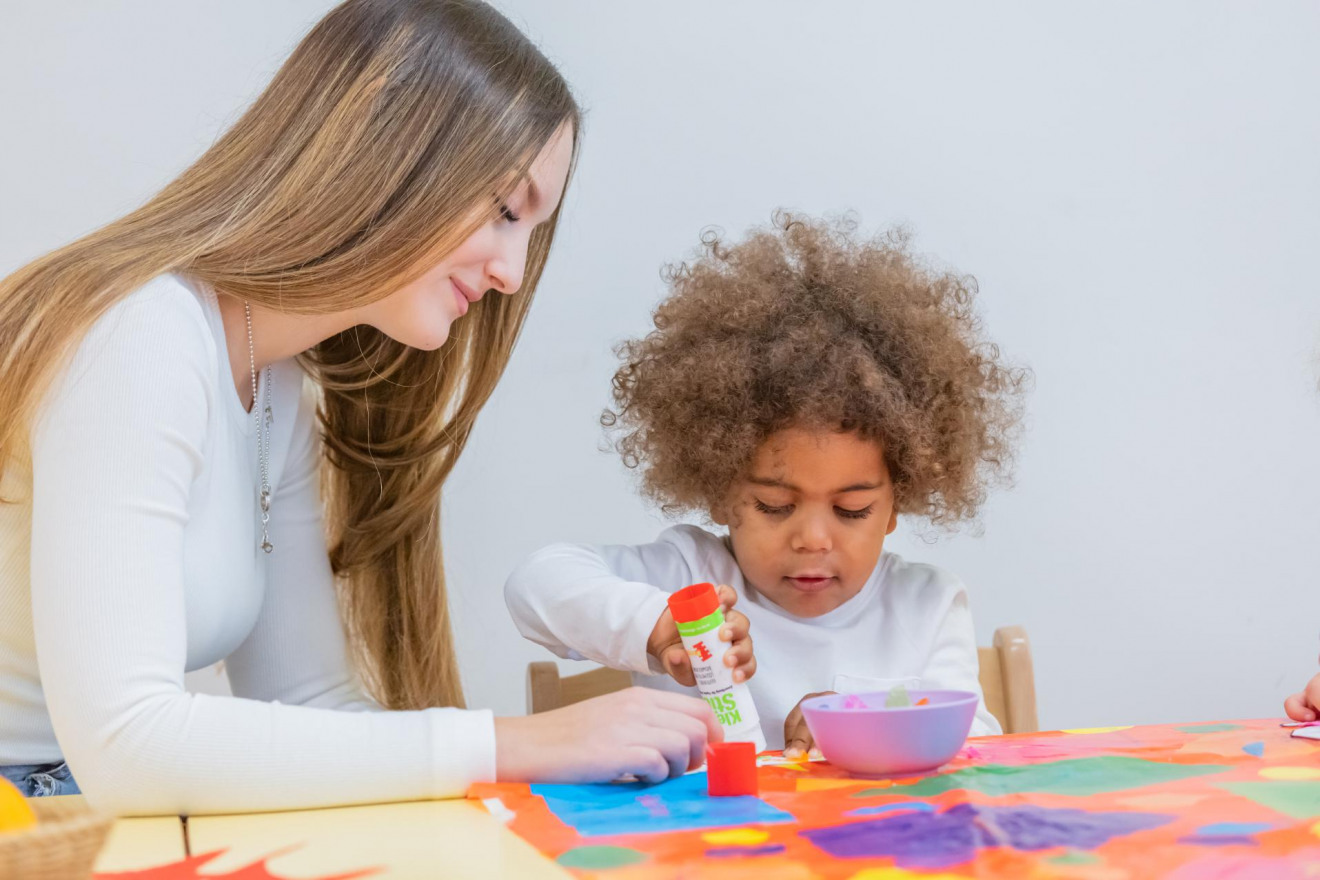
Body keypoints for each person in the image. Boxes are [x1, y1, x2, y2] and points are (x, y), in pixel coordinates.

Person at [0, 0, 716, 816]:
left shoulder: (276, 386)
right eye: (504, 211)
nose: (512, 273)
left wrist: (530, 762)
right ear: (389, 152)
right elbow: (131, 743)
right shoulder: (138, 336)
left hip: (68, 811)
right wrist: (511, 744)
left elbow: (307, 699)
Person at [507, 214, 1029, 755]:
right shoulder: (689, 578)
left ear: (898, 502)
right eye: (775, 505)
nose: (813, 539)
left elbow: (974, 751)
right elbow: (535, 584)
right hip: (706, 840)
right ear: (720, 490)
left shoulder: (926, 605)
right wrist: (657, 624)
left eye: (852, 509)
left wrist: (861, 725)